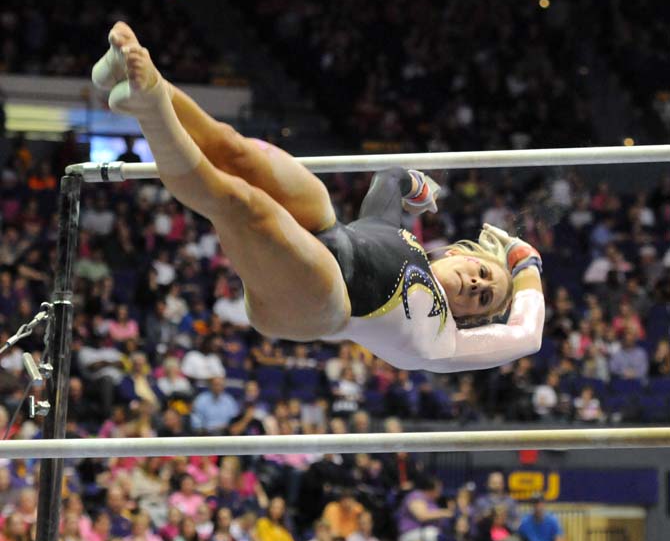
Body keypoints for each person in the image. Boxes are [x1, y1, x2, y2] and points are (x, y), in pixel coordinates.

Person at [92, 22, 544, 374]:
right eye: (484, 273)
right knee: (236, 151)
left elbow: (527, 335)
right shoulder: (401, 237)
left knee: (245, 205)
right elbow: (387, 179)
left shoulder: (445, 341)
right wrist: (416, 183)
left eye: (484, 299)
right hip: (327, 234)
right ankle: (144, 78)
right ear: (465, 252)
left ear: (470, 318)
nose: (478, 284)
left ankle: (151, 108)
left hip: (322, 304)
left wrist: (525, 265)